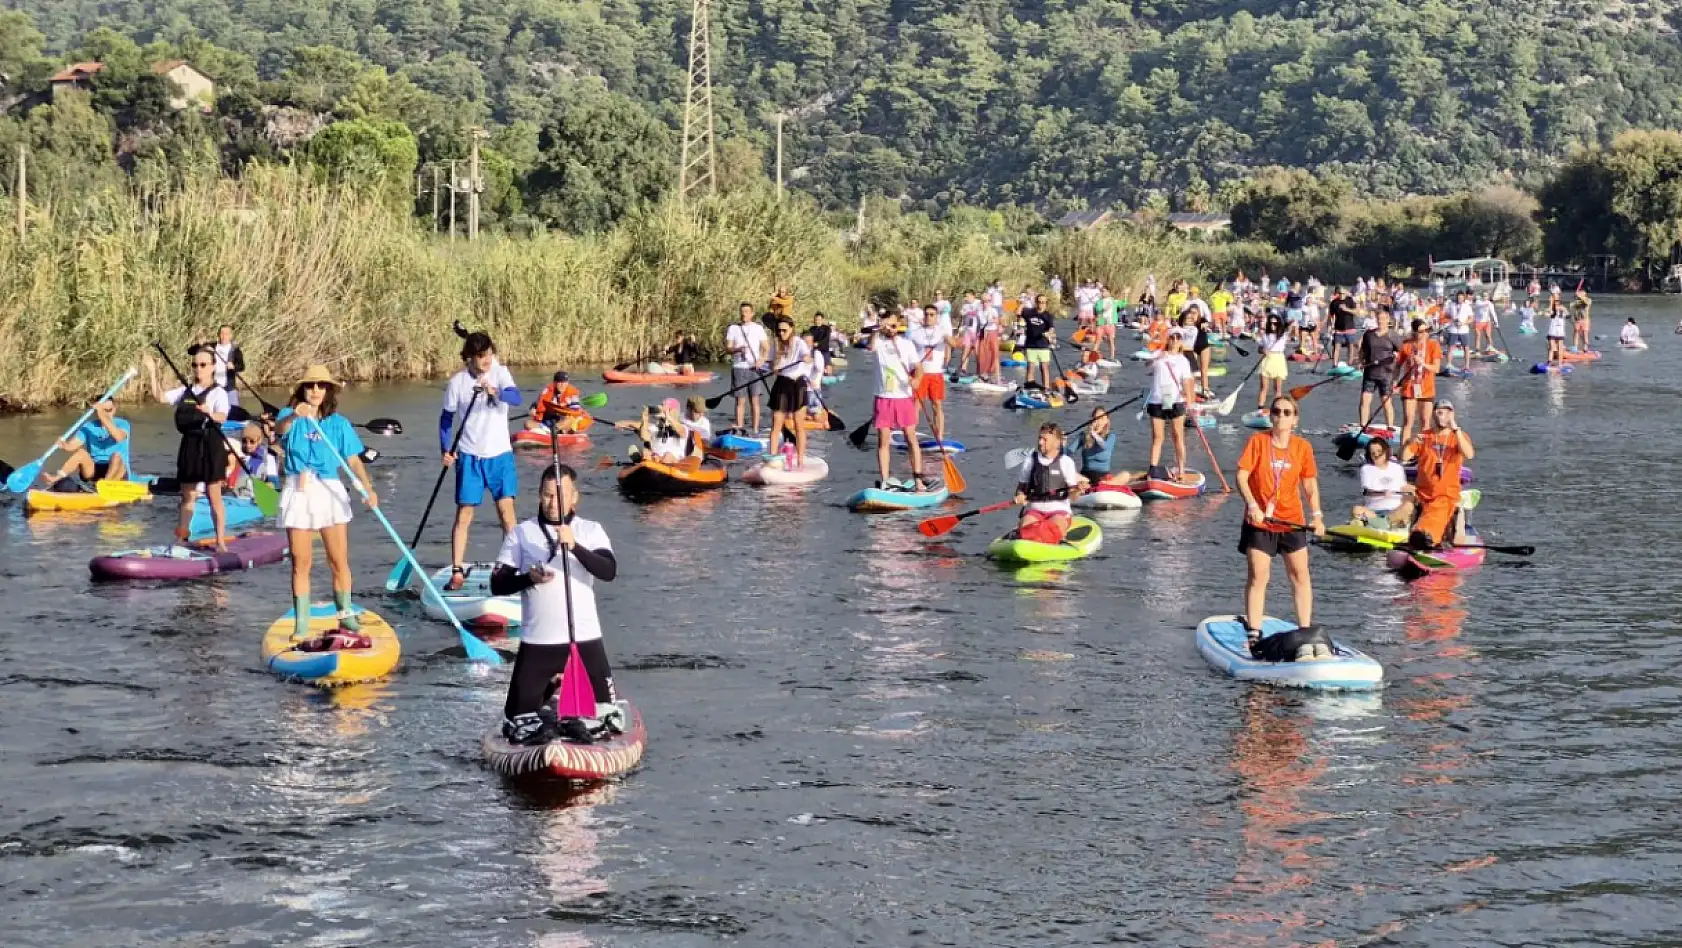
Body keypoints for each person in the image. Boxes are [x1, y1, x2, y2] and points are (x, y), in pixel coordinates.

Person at [491, 463, 623, 745]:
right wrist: (528, 578)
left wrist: (574, 546)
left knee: (606, 717)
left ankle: (572, 711)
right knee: (516, 718)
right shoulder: (521, 534)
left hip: (585, 641)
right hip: (539, 643)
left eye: (560, 495)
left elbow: (608, 571)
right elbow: (497, 584)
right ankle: (548, 696)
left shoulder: (590, 530)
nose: (553, 503)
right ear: (540, 495)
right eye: (547, 495)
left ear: (575, 497)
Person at [275, 365, 376, 641]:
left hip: (329, 490)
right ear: (302, 390)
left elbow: (353, 459)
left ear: (328, 390)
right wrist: (295, 415)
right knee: (301, 561)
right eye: (310, 386)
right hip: (299, 489)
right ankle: (302, 622)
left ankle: (346, 614)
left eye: (321, 385)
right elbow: (279, 429)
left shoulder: (338, 423)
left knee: (338, 559)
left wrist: (367, 488)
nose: (316, 390)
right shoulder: (289, 416)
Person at [1235, 395, 1328, 662]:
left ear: (1295, 419)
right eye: (1276, 411)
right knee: (1258, 576)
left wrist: (1317, 516)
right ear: (1271, 416)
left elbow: (1309, 484)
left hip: (1292, 521)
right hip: (1261, 521)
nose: (1281, 416)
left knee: (1300, 575)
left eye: (1287, 412)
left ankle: (1305, 632)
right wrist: (1252, 504)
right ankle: (1254, 633)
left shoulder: (1302, 447)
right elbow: (1241, 476)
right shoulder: (1257, 442)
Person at [441, 331, 521, 591]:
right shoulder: (458, 383)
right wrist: (445, 449)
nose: (486, 360)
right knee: (464, 515)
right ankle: (457, 570)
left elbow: (516, 398)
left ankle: (513, 567)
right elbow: (446, 419)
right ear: (470, 358)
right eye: (480, 356)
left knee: (507, 514)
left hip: (500, 455)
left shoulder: (500, 372)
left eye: (488, 354)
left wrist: (494, 391)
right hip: (469, 455)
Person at [153, 346, 231, 551]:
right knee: (187, 495)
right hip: (190, 444)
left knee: (214, 495)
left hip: (210, 444)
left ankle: (220, 541)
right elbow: (160, 397)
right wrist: (152, 371)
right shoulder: (186, 391)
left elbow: (222, 416)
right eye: (195, 365)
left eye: (203, 365)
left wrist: (209, 413)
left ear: (213, 367)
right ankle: (181, 539)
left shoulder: (218, 392)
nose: (198, 369)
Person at [1401, 401, 1474, 550]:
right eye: (1437, 411)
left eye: (1443, 412)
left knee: (1436, 515)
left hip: (1445, 494)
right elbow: (1405, 457)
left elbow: (1469, 454)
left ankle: (1426, 537)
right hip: (1422, 493)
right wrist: (1411, 441)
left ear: (1451, 414)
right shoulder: (1425, 436)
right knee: (1406, 505)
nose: (1439, 415)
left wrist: (1456, 430)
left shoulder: (1459, 436)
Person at [870, 314, 930, 491]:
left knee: (911, 437)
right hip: (883, 396)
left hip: (903, 396)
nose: (891, 328)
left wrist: (917, 380)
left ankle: (918, 479)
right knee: (883, 440)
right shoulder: (879, 342)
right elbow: (872, 346)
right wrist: (879, 328)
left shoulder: (906, 344)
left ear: (900, 326)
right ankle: (885, 480)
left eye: (894, 325)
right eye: (889, 325)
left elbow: (918, 368)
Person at [1010, 423, 1087, 544]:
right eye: (1039, 438)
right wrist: (1019, 496)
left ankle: (1051, 537)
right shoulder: (1030, 460)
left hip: (1058, 511)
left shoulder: (1066, 462)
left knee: (1053, 527)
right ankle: (1030, 536)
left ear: (1057, 442)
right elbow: (1021, 489)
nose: (1040, 442)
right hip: (1035, 511)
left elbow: (1072, 497)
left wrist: (1078, 490)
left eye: (1045, 439)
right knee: (1026, 526)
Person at [41, 397, 131, 488]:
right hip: (94, 469)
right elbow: (72, 445)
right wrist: (64, 445)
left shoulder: (122, 424)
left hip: (117, 470)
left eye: (109, 410)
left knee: (116, 456)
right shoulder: (89, 426)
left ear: (114, 409)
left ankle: (105, 485)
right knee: (81, 453)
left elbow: (119, 437)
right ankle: (55, 478)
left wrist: (102, 415)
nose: (106, 414)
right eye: (103, 410)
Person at [1145, 333, 1196, 482]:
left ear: (1181, 342)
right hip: (1157, 399)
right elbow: (1147, 367)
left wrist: (1189, 401)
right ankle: (1153, 469)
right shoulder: (1159, 354)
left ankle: (1181, 469)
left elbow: (1187, 381)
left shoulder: (1183, 360)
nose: (1174, 340)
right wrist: (1156, 357)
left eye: (1177, 338)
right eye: (1172, 337)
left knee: (1177, 436)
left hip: (1175, 400)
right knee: (1157, 437)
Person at [765, 316, 813, 467]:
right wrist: (771, 367)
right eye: (778, 331)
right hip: (782, 384)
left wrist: (806, 357)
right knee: (776, 424)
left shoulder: (799, 342)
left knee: (799, 424)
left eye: (784, 330)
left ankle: (800, 459)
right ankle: (772, 458)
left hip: (797, 384)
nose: (781, 333)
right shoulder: (776, 344)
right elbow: (771, 364)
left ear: (791, 329)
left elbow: (807, 357)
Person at [909, 304, 955, 444]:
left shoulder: (941, 332)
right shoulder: (915, 333)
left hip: (935, 373)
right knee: (917, 405)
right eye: (927, 314)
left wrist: (947, 337)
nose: (929, 317)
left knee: (937, 404)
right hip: (920, 373)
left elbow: (953, 344)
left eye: (932, 315)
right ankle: (911, 435)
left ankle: (939, 435)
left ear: (937, 317)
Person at [725, 303, 770, 432]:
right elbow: (728, 348)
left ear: (752, 313)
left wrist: (761, 360)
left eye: (746, 311)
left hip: (754, 368)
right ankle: (739, 427)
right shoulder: (733, 328)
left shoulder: (758, 328)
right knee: (740, 401)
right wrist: (737, 349)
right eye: (742, 311)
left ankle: (755, 429)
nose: (743, 314)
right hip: (739, 367)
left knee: (754, 400)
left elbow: (766, 348)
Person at [1396, 319, 1442, 444]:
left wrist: (1423, 363)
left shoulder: (1433, 345)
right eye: (1421, 331)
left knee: (1425, 422)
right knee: (1408, 420)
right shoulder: (1406, 345)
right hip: (1409, 387)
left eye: (1426, 331)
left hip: (1426, 388)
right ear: (1414, 332)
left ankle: (1424, 451)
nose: (1424, 334)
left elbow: (1436, 369)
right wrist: (1394, 382)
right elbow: (1398, 365)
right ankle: (1403, 452)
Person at [1351, 438, 1412, 526]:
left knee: (1408, 506)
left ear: (1386, 451)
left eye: (1379, 451)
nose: (1376, 455)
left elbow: (1404, 487)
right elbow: (1367, 492)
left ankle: (1390, 522)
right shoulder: (1366, 469)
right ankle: (1384, 524)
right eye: (1373, 453)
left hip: (1394, 510)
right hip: (1373, 512)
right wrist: (1382, 493)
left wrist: (1412, 490)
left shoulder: (1397, 468)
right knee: (1356, 509)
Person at [1356, 310, 1398, 428]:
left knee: (1386, 402)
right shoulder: (1369, 335)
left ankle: (1390, 426)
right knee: (1365, 400)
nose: (1381, 321)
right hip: (1370, 373)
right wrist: (1361, 361)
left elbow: (1402, 351)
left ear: (1388, 320)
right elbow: (1363, 351)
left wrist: (1396, 355)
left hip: (1386, 373)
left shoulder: (1392, 335)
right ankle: (1363, 425)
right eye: (1379, 319)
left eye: (1383, 319)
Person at [1019, 294, 1056, 390]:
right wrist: (1022, 304)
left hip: (1043, 345)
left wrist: (1048, 333)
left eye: (1043, 302)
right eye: (1039, 302)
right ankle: (1029, 387)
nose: (1041, 304)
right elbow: (1018, 313)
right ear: (1036, 303)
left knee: (1044, 368)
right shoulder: (1029, 312)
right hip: (1031, 345)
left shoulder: (1048, 316)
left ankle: (1046, 388)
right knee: (1030, 367)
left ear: (1046, 304)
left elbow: (1051, 328)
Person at [1257, 314, 1290, 410]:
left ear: (1278, 324)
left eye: (1275, 323)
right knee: (1264, 388)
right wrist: (1263, 350)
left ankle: (1277, 409)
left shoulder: (1283, 335)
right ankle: (1260, 410)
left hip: (1279, 360)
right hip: (1267, 361)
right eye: (1271, 323)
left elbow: (1289, 326)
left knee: (1278, 389)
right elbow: (1259, 349)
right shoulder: (1265, 335)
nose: (1273, 325)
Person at [210, 325, 245, 407]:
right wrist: (200, 345)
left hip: (229, 387)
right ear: (218, 334)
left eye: (227, 334)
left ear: (230, 335)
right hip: (213, 386)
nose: (224, 336)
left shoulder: (235, 349)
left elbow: (242, 366)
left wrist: (233, 366)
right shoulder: (211, 346)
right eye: (222, 333)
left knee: (235, 411)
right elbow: (191, 351)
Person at [237, 421, 280, 487]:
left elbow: (274, 484)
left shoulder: (268, 458)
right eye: (245, 441)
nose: (248, 445)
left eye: (252, 442)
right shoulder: (238, 455)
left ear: (258, 441)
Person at [1328, 289, 1359, 366]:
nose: (1341, 295)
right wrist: (1329, 326)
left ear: (1346, 293)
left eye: (1343, 294)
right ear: (1338, 293)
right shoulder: (1334, 302)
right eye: (1340, 293)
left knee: (1351, 347)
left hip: (1350, 328)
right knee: (1336, 347)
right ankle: (1334, 365)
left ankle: (1350, 364)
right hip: (1338, 329)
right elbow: (1330, 316)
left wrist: (1346, 309)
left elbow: (1356, 312)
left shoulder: (1350, 300)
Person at [1546, 298, 1569, 366]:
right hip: (1552, 332)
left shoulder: (1563, 312)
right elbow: (1547, 313)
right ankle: (1549, 361)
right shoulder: (1552, 312)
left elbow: (1568, 316)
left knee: (1560, 348)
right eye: (1555, 305)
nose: (1557, 306)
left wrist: (1564, 309)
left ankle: (1560, 362)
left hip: (1560, 333)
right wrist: (1550, 304)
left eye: (1558, 305)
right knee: (1551, 347)